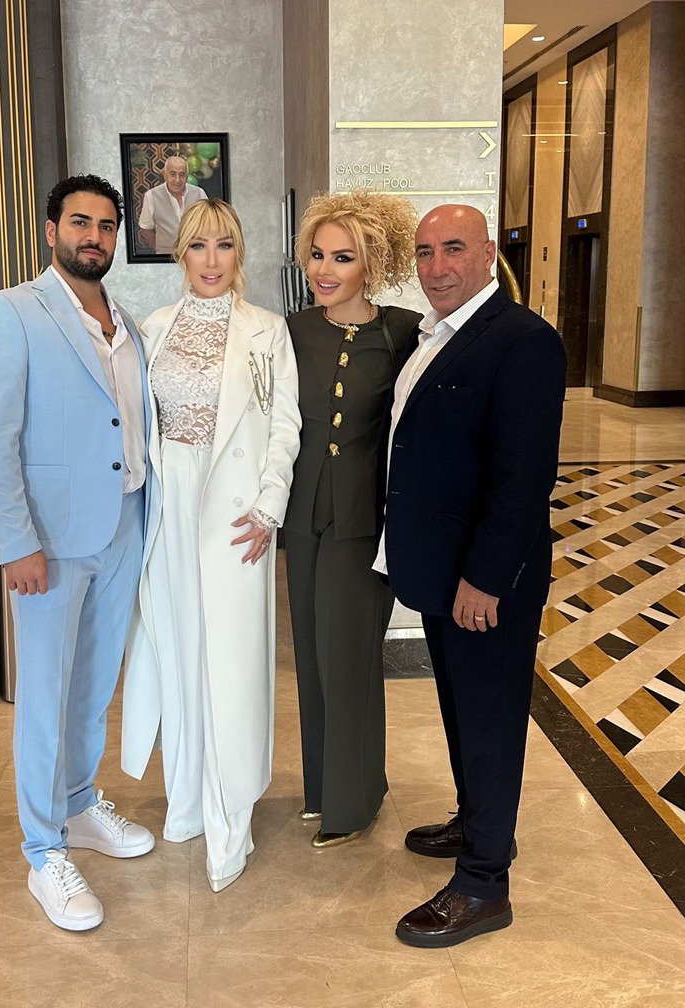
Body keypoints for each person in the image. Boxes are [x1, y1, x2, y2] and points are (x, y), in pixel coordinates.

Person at [0, 174, 158, 932]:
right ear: (52, 231)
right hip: (48, 543)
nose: (94, 237)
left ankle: (78, 806)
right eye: (81, 222)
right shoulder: (9, 311)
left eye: (107, 226)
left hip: (123, 524)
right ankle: (44, 850)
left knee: (93, 685)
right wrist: (16, 542)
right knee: (44, 695)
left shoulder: (126, 320)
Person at [375, 204, 566, 948]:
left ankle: (485, 882)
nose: (437, 267)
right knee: (460, 708)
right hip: (440, 570)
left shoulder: (522, 340)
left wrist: (486, 579)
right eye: (425, 252)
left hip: (486, 581)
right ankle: (476, 822)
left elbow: (524, 479)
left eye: (453, 249)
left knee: (490, 719)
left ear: (489, 254)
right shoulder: (434, 335)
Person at [121, 199, 301, 891]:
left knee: (232, 660)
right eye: (199, 245)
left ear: (239, 252)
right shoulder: (154, 327)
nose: (212, 259)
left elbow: (285, 425)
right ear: (181, 253)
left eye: (225, 245)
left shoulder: (267, 330)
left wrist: (270, 504)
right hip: (170, 504)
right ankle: (190, 801)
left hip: (236, 513)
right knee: (180, 651)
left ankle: (232, 816)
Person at [284, 190, 421, 848]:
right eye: (317, 255)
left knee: (349, 657)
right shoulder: (290, 331)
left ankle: (353, 803)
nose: (325, 269)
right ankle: (324, 790)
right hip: (302, 514)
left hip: (365, 520)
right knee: (312, 654)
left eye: (343, 257)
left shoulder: (404, 331)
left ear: (373, 263)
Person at [138, 155, 207, 253]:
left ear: (187, 177)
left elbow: (209, 225)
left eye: (182, 175)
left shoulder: (199, 194)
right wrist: (160, 249)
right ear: (165, 175)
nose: (177, 180)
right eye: (173, 174)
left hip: (195, 254)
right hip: (165, 256)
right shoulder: (151, 196)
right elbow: (146, 229)